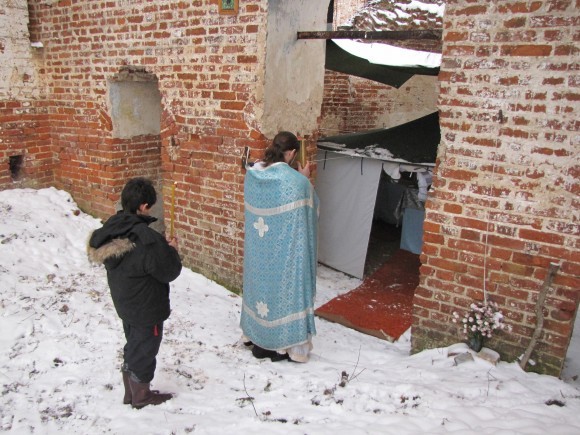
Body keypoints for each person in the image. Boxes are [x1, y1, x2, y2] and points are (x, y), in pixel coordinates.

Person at [87, 177, 182, 409]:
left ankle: (131, 392)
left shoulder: (113, 228)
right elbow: (169, 271)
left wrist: (162, 248)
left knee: (134, 344)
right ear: (143, 206)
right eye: (150, 206)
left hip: (125, 303)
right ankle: (141, 396)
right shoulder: (147, 240)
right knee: (145, 348)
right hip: (147, 307)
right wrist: (171, 251)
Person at [240, 131, 319, 363]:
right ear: (292, 153)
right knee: (284, 289)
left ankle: (255, 335)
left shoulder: (252, 174)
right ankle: (287, 345)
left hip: (259, 250)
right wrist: (305, 179)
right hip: (285, 253)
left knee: (260, 287)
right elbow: (312, 209)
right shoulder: (297, 182)